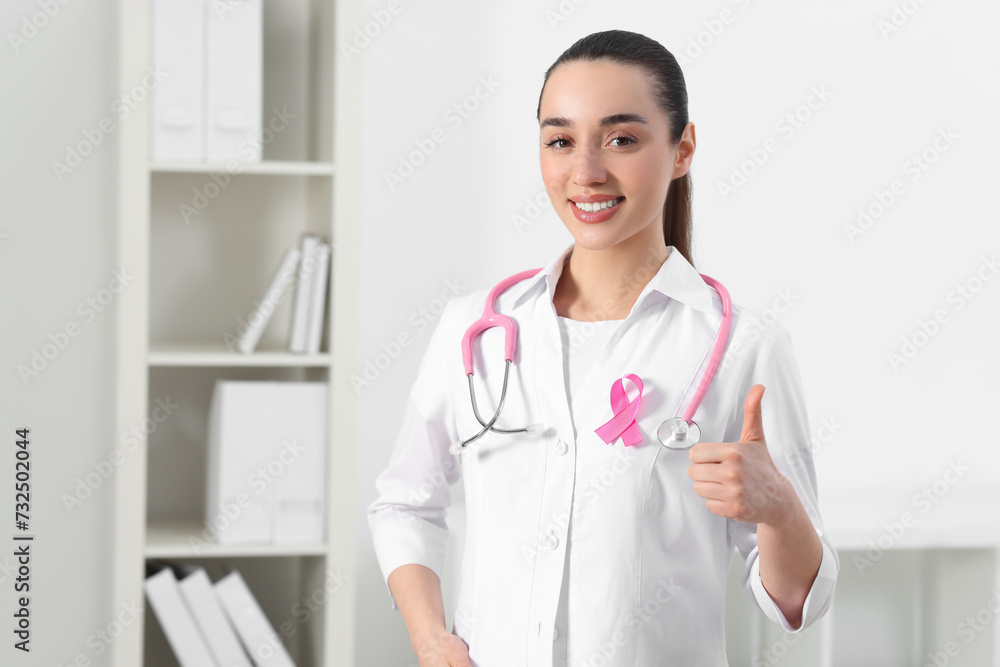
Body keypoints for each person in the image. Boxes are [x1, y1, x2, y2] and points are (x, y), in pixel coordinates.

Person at [367, 29, 839, 667]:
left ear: (682, 149)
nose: (586, 173)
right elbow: (404, 502)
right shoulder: (473, 329)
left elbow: (799, 602)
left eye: (621, 139)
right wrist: (431, 639)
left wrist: (779, 510)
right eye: (560, 141)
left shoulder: (742, 346)